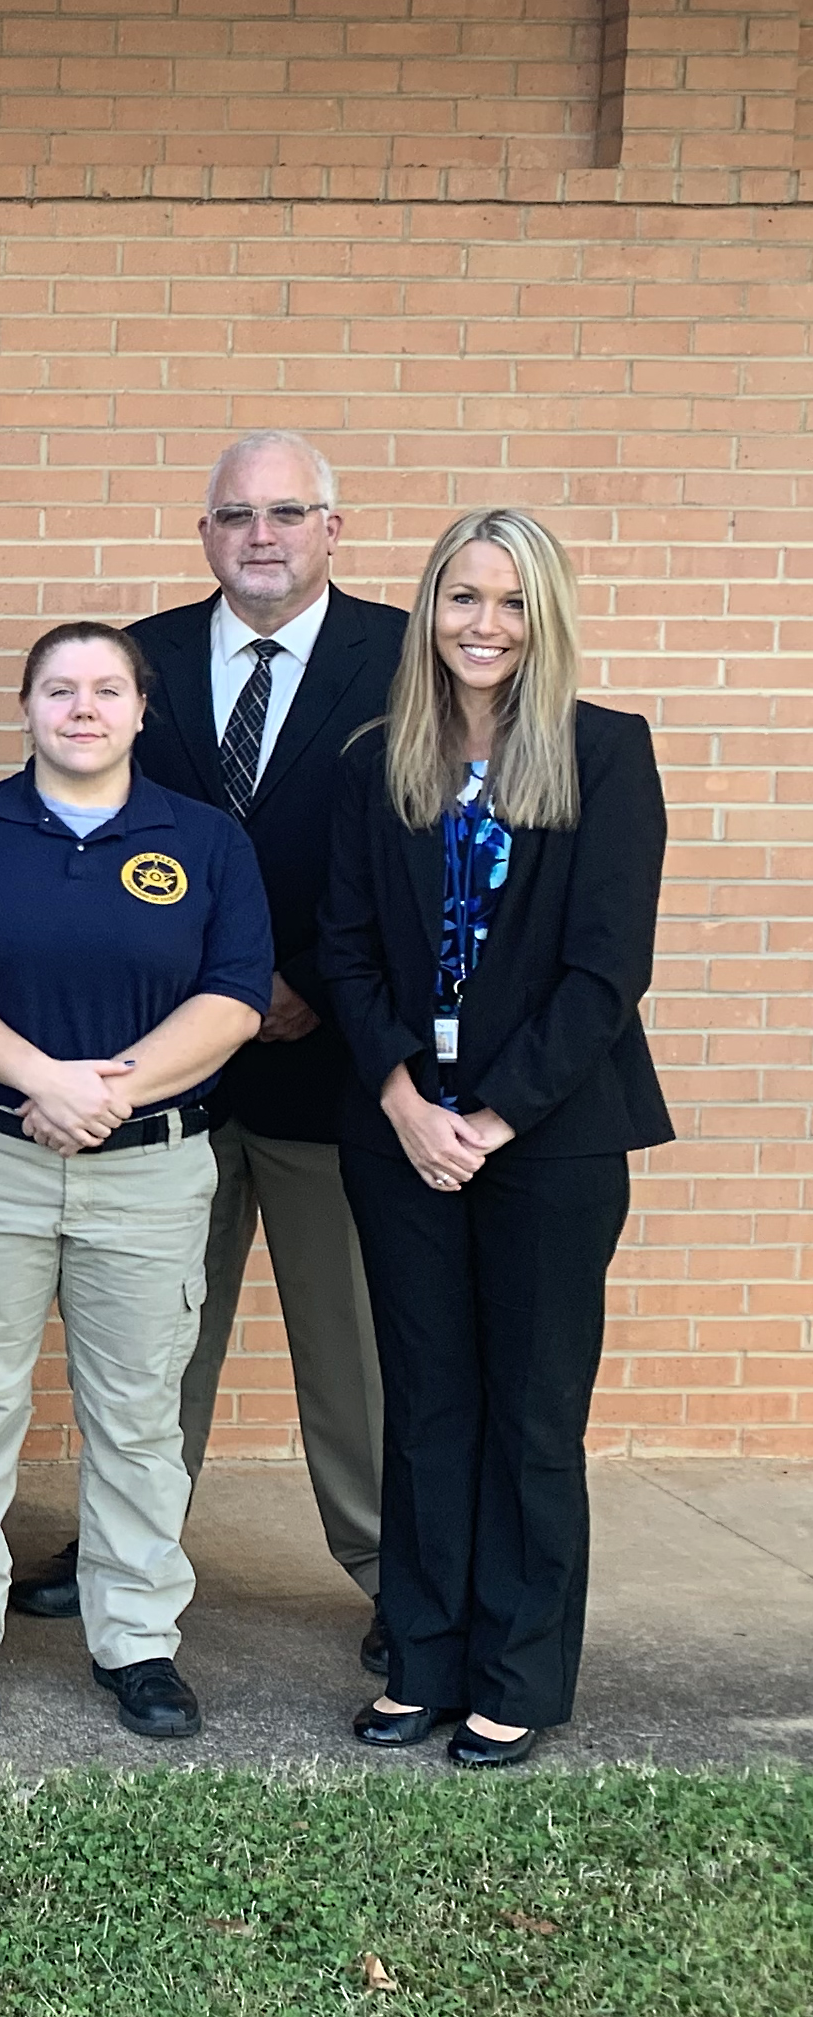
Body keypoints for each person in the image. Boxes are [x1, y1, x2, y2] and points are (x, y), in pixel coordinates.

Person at [14, 431, 406, 1683]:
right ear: (204, 535)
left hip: (328, 1062)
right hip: (157, 1073)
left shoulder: (403, 659)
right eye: (234, 514)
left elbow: (418, 861)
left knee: (347, 1342)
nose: (261, 535)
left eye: (287, 511)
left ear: (332, 527)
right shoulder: (144, 661)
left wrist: (317, 992)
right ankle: (129, 1547)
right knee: (152, 1340)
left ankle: (395, 1564)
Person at [321, 509, 668, 1769]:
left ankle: (515, 1673)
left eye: (511, 603)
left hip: (552, 1135)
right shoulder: (379, 762)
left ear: (546, 617)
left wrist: (494, 1114)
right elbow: (345, 952)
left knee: (528, 1411)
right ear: (428, 611)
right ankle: (420, 1657)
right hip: (403, 1131)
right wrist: (407, 1100)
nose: (484, 625)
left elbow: (604, 971)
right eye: (462, 598)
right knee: (423, 1403)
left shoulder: (606, 753)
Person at [0, 623, 270, 1739]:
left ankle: (137, 1640)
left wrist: (112, 1090)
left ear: (142, 711)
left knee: (140, 1415)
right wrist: (39, 1079)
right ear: (25, 707)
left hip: (151, 1170)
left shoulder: (202, 841)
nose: (82, 709)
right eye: (58, 689)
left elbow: (234, 994)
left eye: (107, 689)